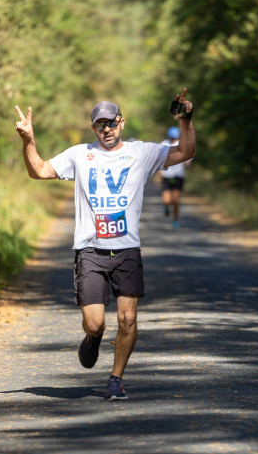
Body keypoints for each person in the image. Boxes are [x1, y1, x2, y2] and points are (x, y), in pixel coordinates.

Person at [14, 88, 196, 400]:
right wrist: (28, 139)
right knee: (94, 322)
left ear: (121, 122)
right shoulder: (78, 155)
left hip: (127, 250)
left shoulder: (142, 152)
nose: (106, 130)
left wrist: (186, 121)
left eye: (111, 123)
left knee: (127, 319)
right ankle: (93, 337)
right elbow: (39, 170)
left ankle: (115, 378)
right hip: (90, 251)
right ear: (92, 128)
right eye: (100, 125)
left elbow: (185, 152)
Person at [160, 126, 193, 227]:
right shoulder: (164, 144)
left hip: (178, 175)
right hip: (167, 175)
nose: (173, 139)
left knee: (175, 200)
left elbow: (188, 159)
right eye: (172, 137)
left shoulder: (182, 145)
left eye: (175, 137)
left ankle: (175, 219)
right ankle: (166, 207)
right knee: (166, 199)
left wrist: (188, 163)